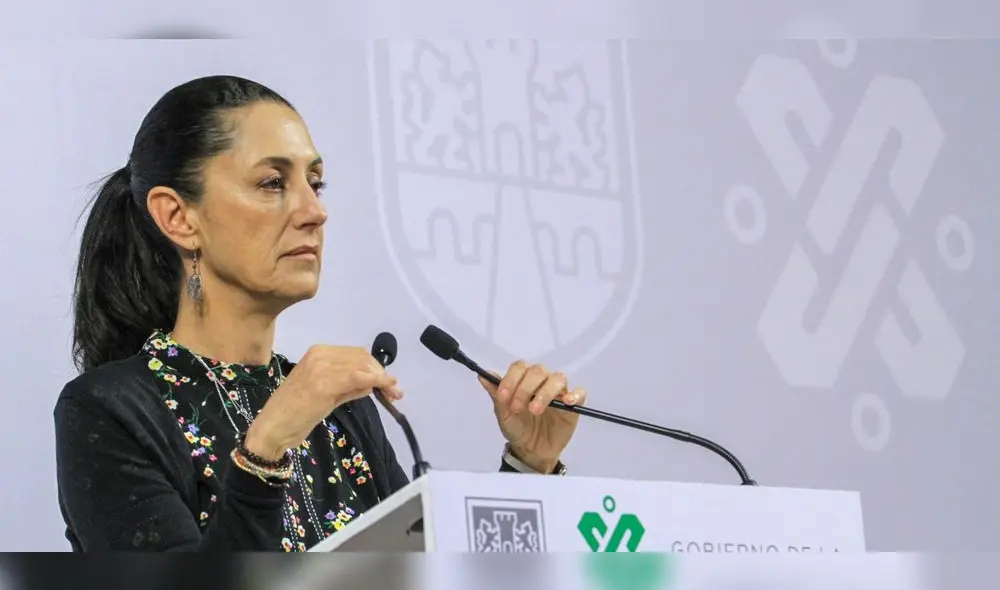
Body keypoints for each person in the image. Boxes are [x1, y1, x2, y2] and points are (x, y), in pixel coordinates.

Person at [55, 75, 588, 552]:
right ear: (179, 217)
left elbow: (432, 576)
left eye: (315, 182)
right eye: (272, 183)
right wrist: (267, 445)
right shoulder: (108, 410)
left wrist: (528, 465)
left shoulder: (345, 411)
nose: (315, 211)